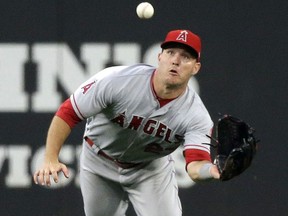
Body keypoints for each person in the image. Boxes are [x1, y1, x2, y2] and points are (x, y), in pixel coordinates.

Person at [33, 29, 220, 216]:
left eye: (186, 57)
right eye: (171, 52)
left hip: (149, 169)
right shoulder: (118, 80)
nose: (176, 61)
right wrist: (50, 158)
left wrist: (213, 170)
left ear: (196, 67)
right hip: (99, 161)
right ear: (160, 57)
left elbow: (196, 166)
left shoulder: (196, 115)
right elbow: (68, 112)